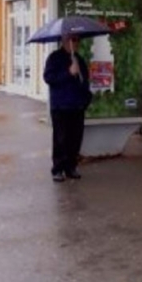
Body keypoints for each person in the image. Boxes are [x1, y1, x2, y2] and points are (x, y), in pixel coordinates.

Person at [43, 34, 92, 182]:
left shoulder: (79, 59)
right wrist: (68, 73)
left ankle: (71, 167)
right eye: (73, 40)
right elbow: (49, 78)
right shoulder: (54, 58)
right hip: (61, 105)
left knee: (75, 138)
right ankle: (58, 169)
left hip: (77, 106)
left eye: (78, 40)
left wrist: (86, 98)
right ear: (65, 41)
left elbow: (84, 80)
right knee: (61, 139)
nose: (76, 43)